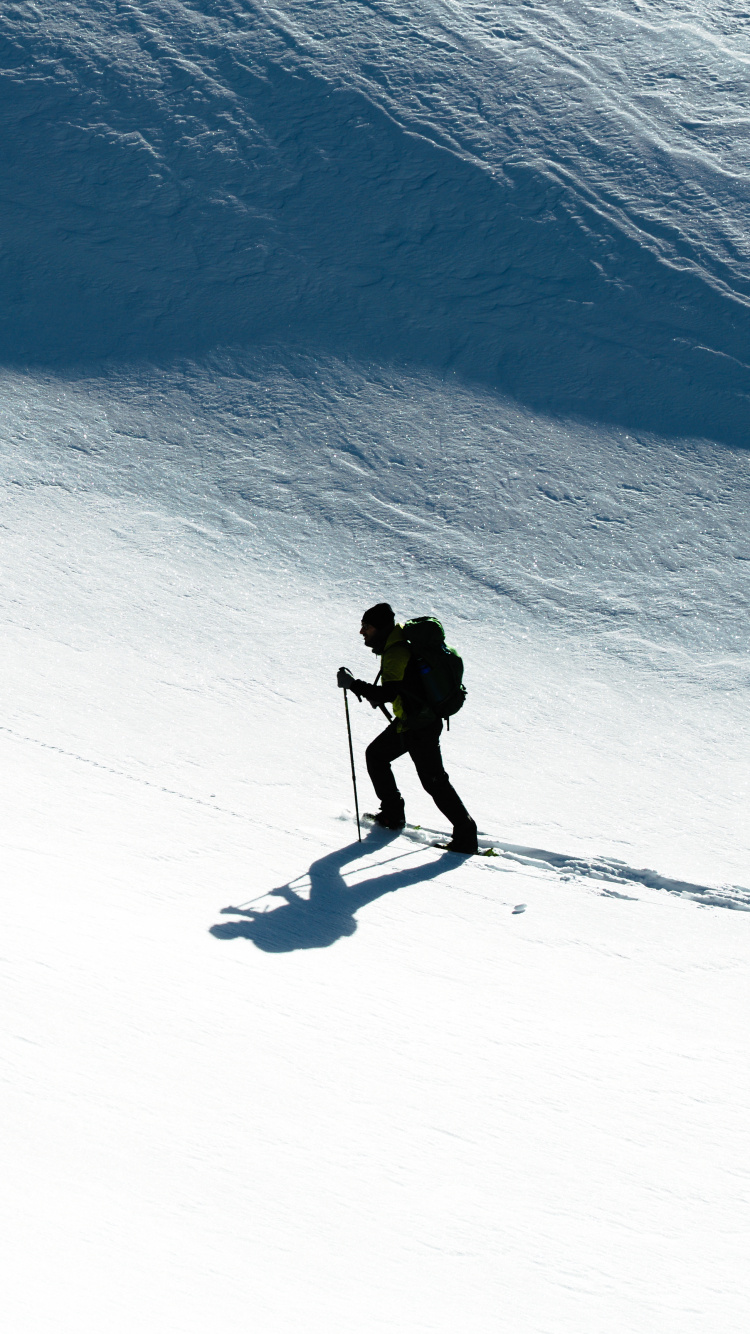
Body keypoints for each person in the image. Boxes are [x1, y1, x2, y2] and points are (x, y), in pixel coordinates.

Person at [337, 602, 479, 854]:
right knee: (377, 755)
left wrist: (353, 684)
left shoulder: (396, 650)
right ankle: (392, 814)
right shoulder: (398, 642)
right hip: (414, 721)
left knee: (434, 781)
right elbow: (402, 688)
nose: (362, 632)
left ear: (381, 628)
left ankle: (466, 836)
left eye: (367, 626)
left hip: (419, 726)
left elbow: (388, 693)